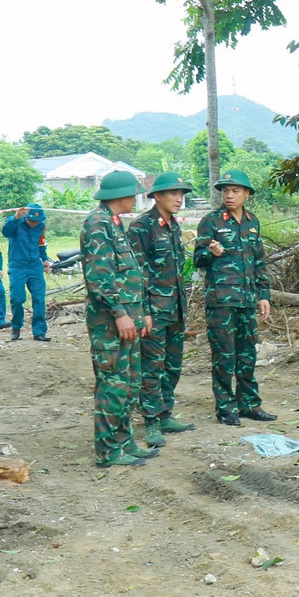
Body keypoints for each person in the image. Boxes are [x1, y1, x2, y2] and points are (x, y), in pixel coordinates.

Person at [80, 170, 158, 467]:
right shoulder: (97, 224)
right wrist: (119, 313)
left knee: (130, 384)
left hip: (129, 320)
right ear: (121, 196)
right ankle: (108, 451)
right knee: (113, 384)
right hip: (110, 323)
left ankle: (125, 442)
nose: (136, 198)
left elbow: (128, 275)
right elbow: (100, 277)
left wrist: (141, 314)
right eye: (133, 193)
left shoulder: (113, 223)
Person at [193, 169, 274, 426]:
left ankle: (249, 404)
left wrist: (263, 295)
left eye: (235, 190)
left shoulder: (252, 221)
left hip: (246, 300)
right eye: (225, 191)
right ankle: (226, 408)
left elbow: (259, 261)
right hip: (221, 300)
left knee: (247, 354)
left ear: (247, 193)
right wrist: (211, 253)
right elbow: (197, 259)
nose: (229, 195)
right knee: (224, 355)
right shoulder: (211, 221)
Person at [129, 172, 197, 446]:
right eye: (173, 194)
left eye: (181, 194)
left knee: (173, 366)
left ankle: (165, 414)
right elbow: (136, 274)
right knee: (151, 368)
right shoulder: (141, 226)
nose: (179, 199)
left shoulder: (173, 226)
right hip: (154, 312)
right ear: (156, 196)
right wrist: (143, 312)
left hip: (175, 309)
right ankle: (151, 422)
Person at [2, 203, 54, 341]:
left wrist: (44, 259)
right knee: (17, 298)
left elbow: (41, 245)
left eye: (37, 221)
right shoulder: (16, 223)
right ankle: (16, 327)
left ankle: (39, 331)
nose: (34, 223)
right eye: (31, 220)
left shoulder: (41, 227)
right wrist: (15, 217)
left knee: (39, 298)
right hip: (17, 267)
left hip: (35, 267)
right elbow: (5, 232)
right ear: (26, 217)